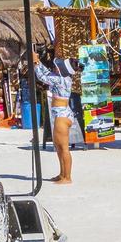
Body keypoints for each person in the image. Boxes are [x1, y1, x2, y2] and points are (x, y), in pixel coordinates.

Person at [31, 50, 76, 185]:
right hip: (61, 113)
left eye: (57, 67)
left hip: (62, 115)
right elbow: (47, 74)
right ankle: (62, 174)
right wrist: (38, 61)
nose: (55, 67)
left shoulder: (59, 79)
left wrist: (35, 62)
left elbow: (42, 77)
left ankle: (67, 177)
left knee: (63, 147)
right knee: (58, 146)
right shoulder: (63, 77)